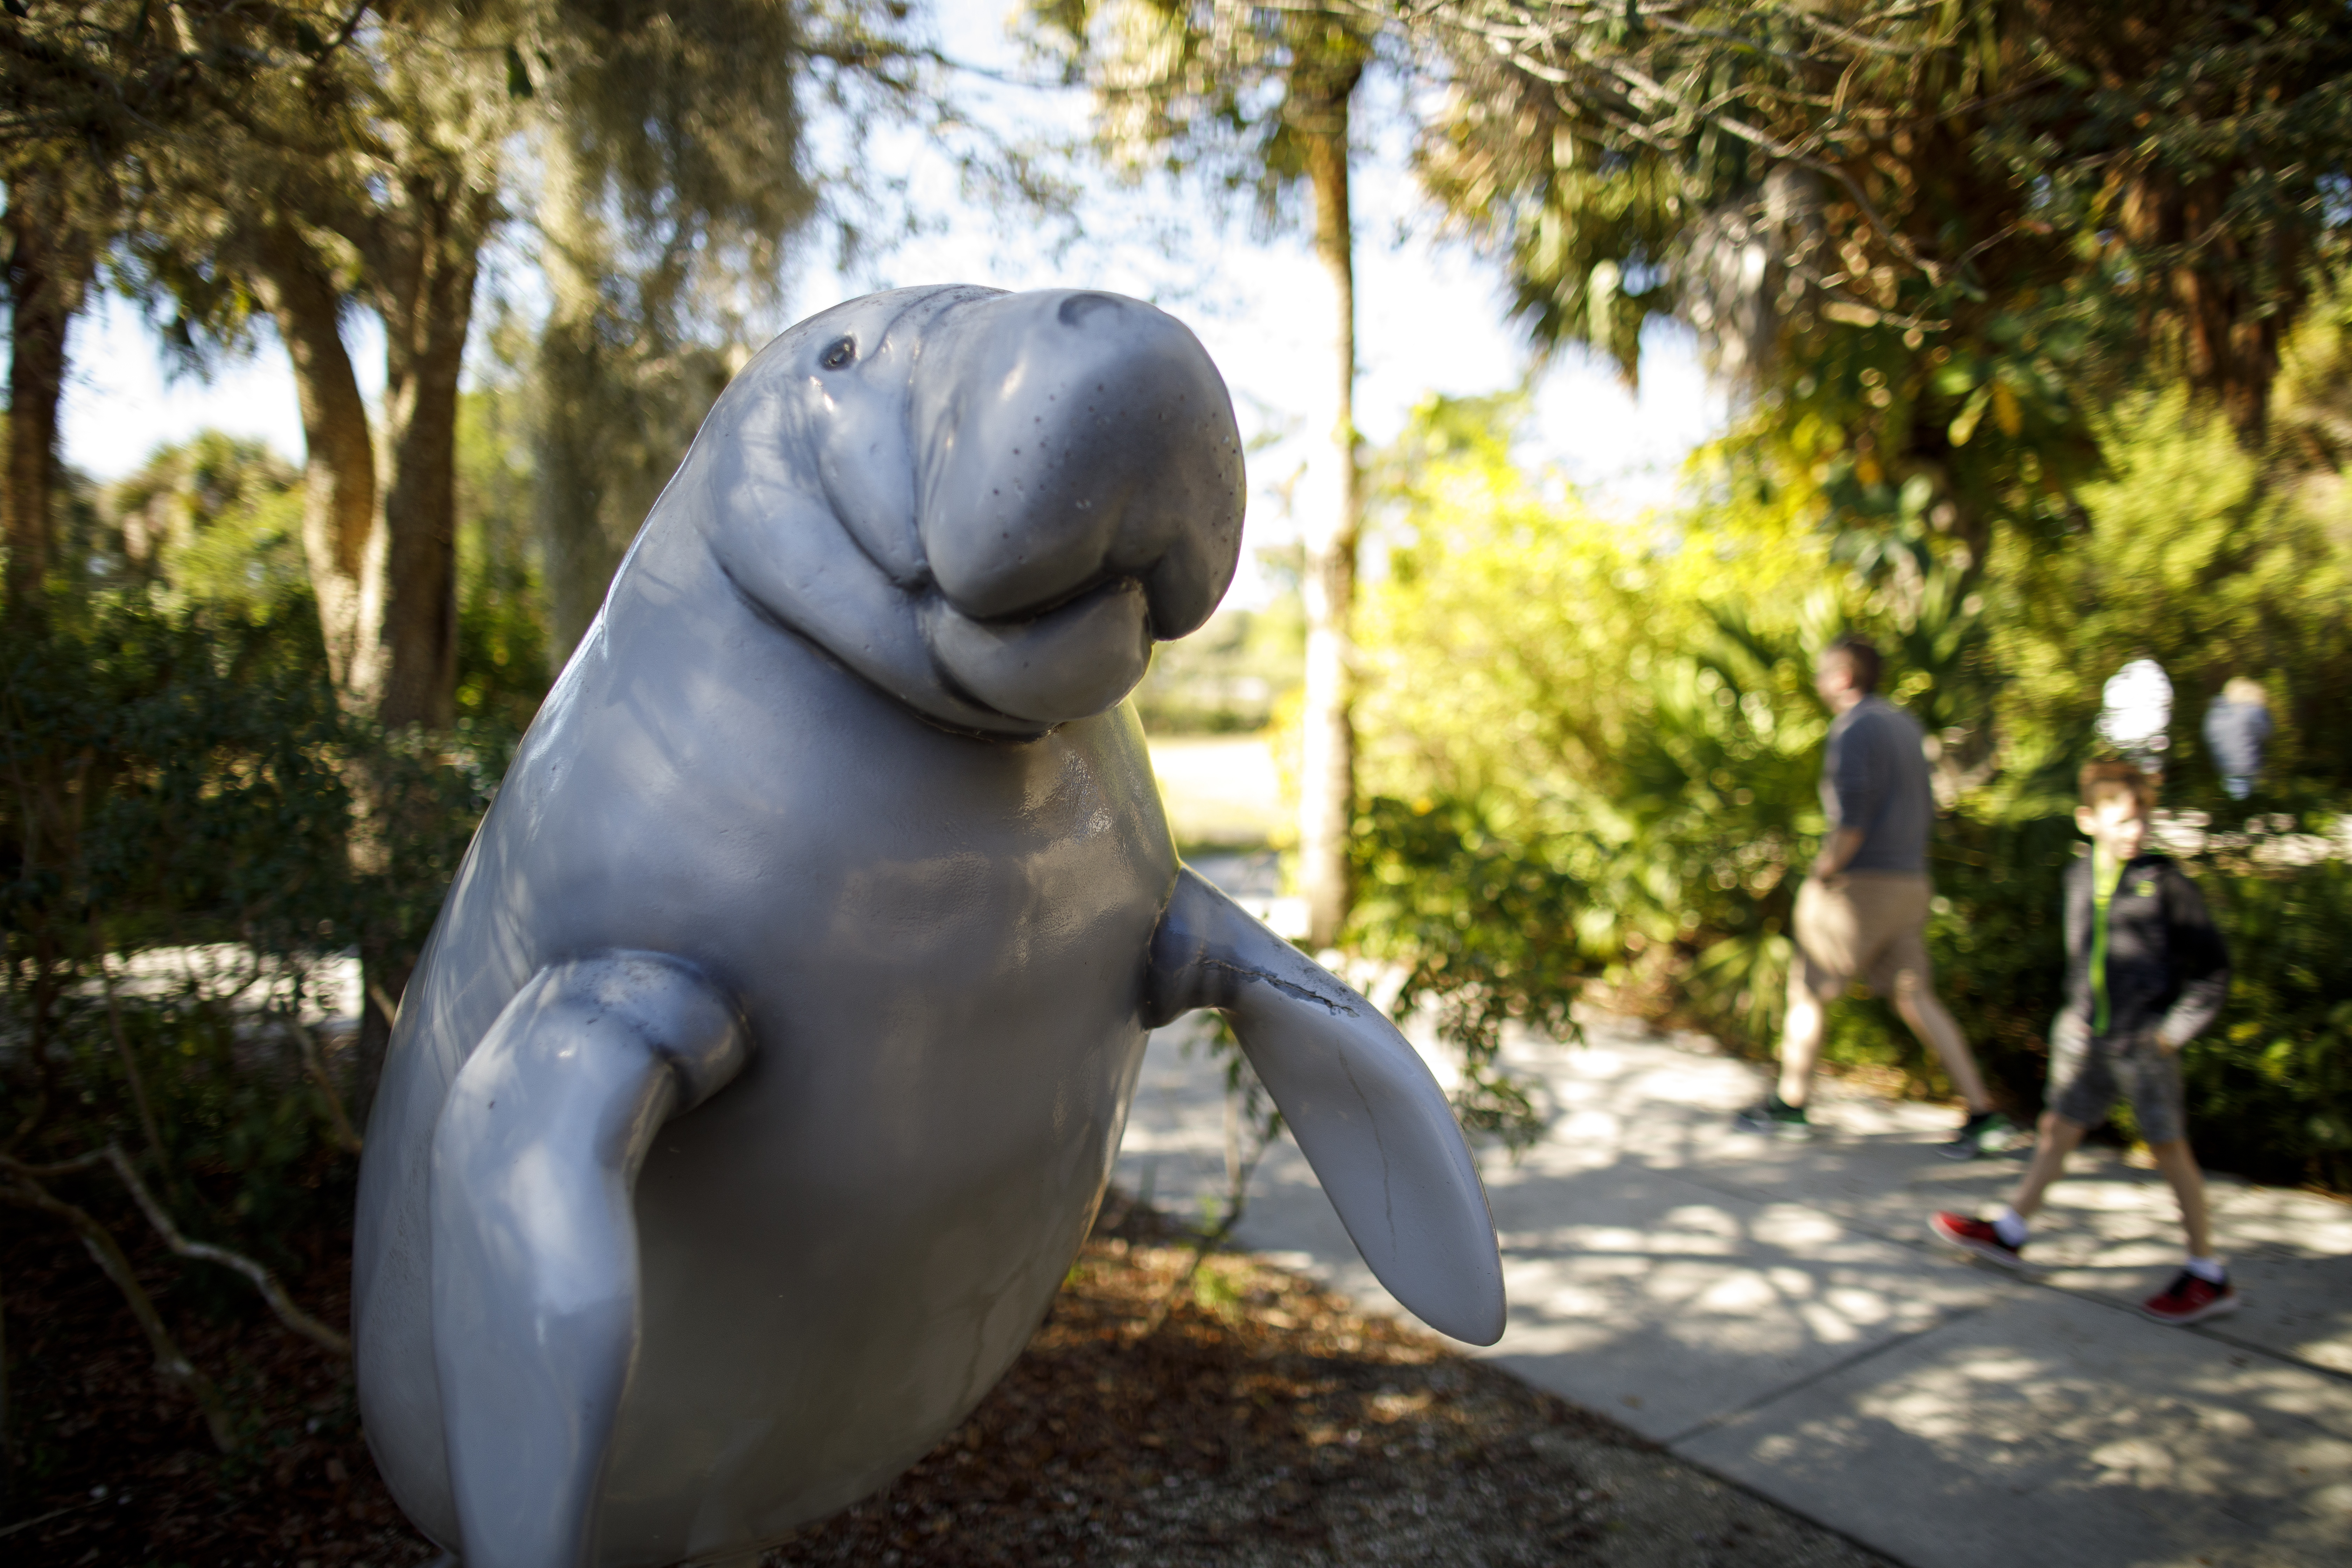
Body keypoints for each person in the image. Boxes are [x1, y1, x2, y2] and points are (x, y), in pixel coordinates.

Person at [1930, 761, 2235, 1325]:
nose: (2136, 831)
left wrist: (2172, 1033)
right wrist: (2073, 1019)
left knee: (2170, 1149)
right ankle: (2012, 1229)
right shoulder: (2078, 878)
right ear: (2087, 820)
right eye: (2123, 820)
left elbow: (2214, 973)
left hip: (2143, 1044)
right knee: (2058, 1128)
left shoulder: (2165, 885)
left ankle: (2208, 1272)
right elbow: (2082, 958)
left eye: (2143, 819)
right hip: (2087, 1035)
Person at [1735, 635, 2016, 1157]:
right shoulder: (1906, 725)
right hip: (1911, 882)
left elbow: (1853, 818)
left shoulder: (1855, 727)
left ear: (1842, 677)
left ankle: (1790, 1104)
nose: (1819, 684)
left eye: (1822, 674)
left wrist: (1825, 870)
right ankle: (1984, 1112)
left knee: (1809, 991)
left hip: (1861, 886)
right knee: (1916, 996)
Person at [2202, 677, 2274, 800]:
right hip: (2249, 770)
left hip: (2224, 770)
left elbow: (2208, 736)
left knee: (2235, 796)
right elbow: (2267, 732)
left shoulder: (2214, 714)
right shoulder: (2253, 710)